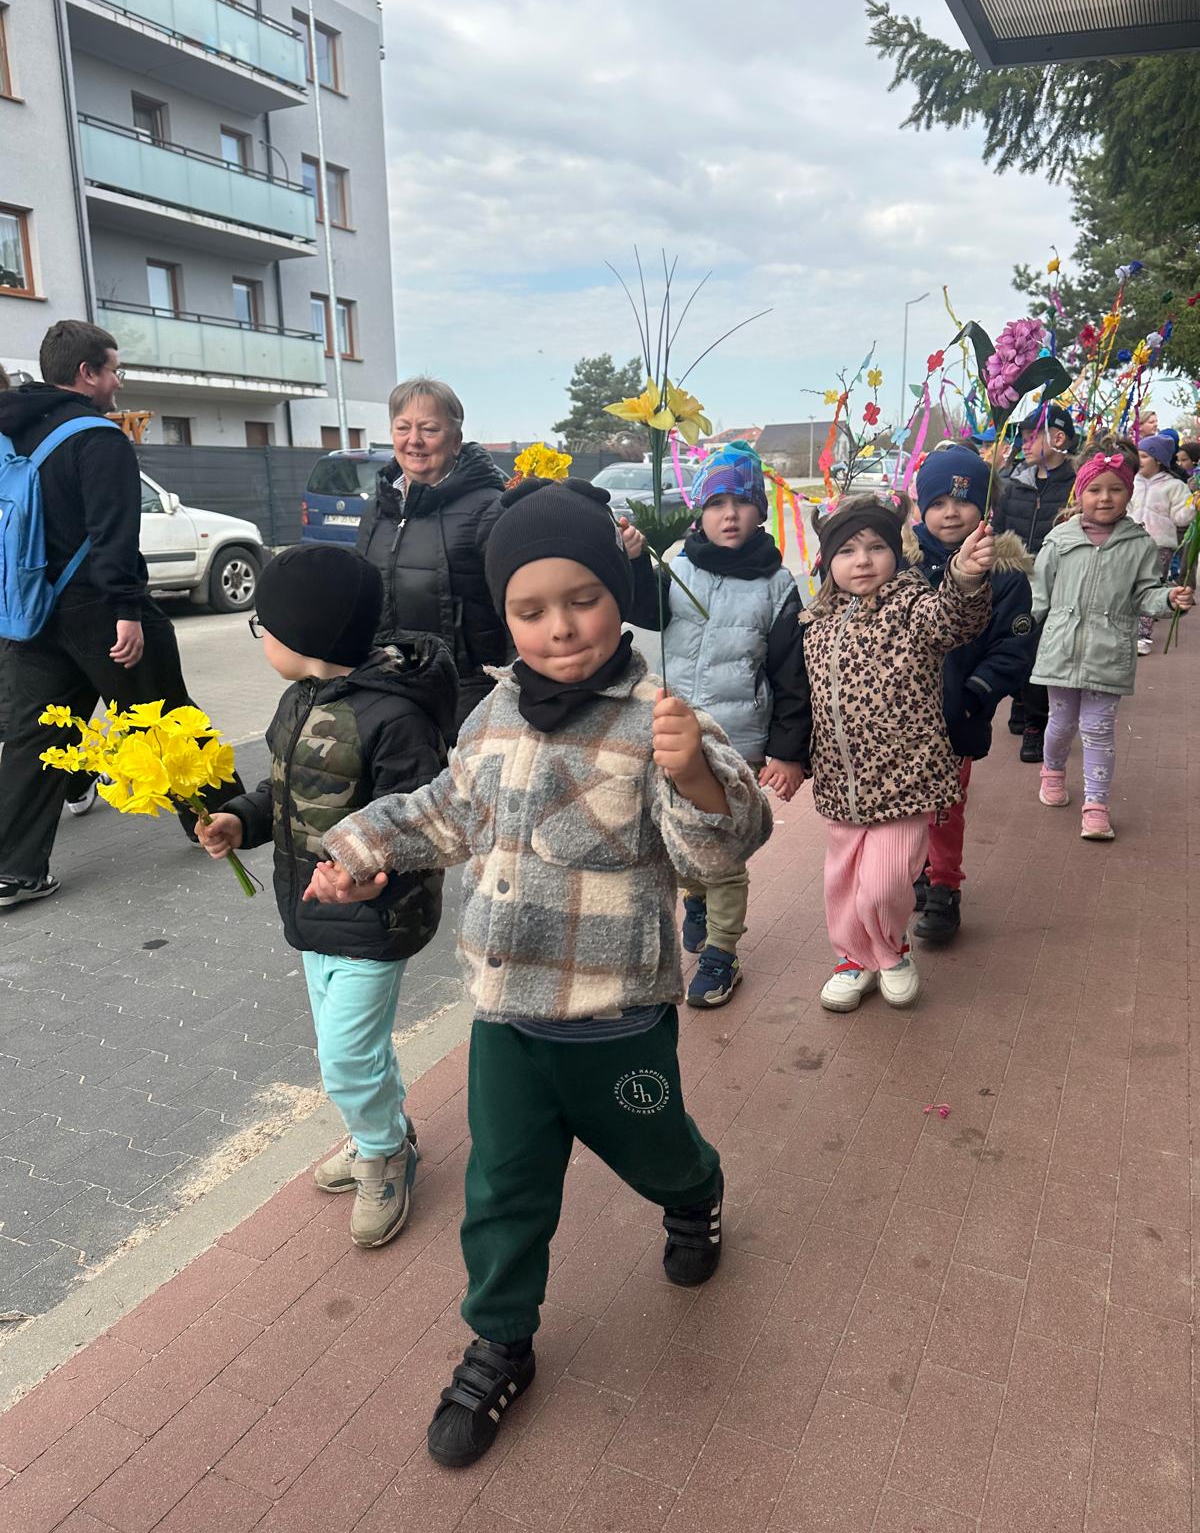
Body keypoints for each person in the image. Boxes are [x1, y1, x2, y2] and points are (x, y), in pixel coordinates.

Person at [305, 477, 772, 1468]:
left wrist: (694, 773)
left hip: (616, 1023)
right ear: (506, 615)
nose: (559, 627)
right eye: (530, 609)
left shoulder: (660, 718)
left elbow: (720, 851)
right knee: (502, 1190)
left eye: (583, 599)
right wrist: (357, 847)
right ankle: (500, 1340)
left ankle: (696, 1191)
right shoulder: (493, 715)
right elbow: (444, 811)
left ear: (617, 593)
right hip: (506, 1019)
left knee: (658, 1153)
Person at [197, 544, 456, 1246]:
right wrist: (240, 820)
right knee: (354, 1050)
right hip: (311, 913)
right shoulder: (300, 700)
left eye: (263, 625)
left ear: (303, 635)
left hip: (374, 919)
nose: (261, 638)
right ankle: (382, 1130)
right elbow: (280, 791)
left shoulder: (396, 719)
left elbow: (422, 823)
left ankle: (384, 1156)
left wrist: (371, 876)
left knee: (344, 1057)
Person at [0, 319, 243, 910]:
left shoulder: (13, 433)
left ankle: (13, 869)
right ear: (87, 373)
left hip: (31, 613)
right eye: (114, 369)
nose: (118, 382)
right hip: (101, 610)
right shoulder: (97, 437)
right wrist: (127, 612)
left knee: (33, 737)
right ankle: (227, 818)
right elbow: (113, 534)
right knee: (162, 714)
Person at [801, 495, 993, 1012]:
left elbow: (952, 620)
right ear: (827, 561)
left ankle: (890, 951)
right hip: (841, 784)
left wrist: (964, 577)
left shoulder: (911, 607)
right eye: (846, 551)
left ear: (897, 552)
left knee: (884, 885)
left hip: (905, 781)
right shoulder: (817, 622)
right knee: (842, 883)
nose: (862, 560)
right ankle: (852, 959)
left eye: (875, 547)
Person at [643, 441, 809, 1006]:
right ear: (700, 512)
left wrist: (789, 752)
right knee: (677, 839)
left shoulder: (778, 585)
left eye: (741, 501)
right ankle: (695, 897)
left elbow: (791, 676)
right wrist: (630, 558)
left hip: (738, 743)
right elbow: (636, 608)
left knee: (723, 853)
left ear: (760, 510)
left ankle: (722, 954)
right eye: (716, 503)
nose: (729, 514)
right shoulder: (675, 566)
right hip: (671, 733)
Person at [1033, 442, 1194, 840]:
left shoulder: (1139, 544)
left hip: (1111, 651)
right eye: (1095, 489)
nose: (1105, 497)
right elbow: (1038, 593)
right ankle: (1052, 771)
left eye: (1115, 489)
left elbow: (1145, 594)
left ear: (1129, 493)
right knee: (1061, 723)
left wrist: (1168, 600)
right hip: (1060, 648)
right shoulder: (1059, 540)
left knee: (1099, 729)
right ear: (1080, 494)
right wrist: (1020, 628)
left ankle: (1096, 805)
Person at [910, 448, 1036, 942]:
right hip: (899, 714)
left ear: (985, 508)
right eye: (938, 502)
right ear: (921, 506)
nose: (950, 513)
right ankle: (915, 869)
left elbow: (1012, 648)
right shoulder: (901, 562)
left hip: (956, 714)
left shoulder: (1004, 575)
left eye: (963, 502)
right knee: (904, 800)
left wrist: (973, 696)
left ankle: (944, 885)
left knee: (945, 806)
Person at [357, 377, 508, 732]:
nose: (414, 440)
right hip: (389, 685)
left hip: (466, 694)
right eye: (403, 427)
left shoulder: (489, 507)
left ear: (455, 440)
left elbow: (517, 603)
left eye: (429, 429)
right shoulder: (377, 509)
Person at [992, 403, 1078, 765]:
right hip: (1017, 583)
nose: (1024, 444)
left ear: (1058, 438)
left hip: (1057, 586)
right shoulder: (1015, 486)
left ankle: (1035, 723)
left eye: (1032, 436)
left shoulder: (1076, 488)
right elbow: (998, 530)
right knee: (1016, 643)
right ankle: (1020, 700)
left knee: (1041, 653)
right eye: (1023, 437)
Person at [1130, 434, 1195, 654]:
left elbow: (1181, 518)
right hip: (1130, 541)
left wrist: (1193, 506)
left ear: (1158, 460)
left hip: (1159, 545)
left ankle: (1142, 635)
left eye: (1144, 456)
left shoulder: (1174, 486)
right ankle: (1126, 628)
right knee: (1127, 584)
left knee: (1150, 586)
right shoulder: (1131, 482)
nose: (1139, 460)